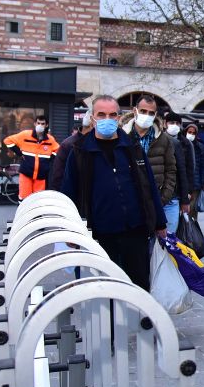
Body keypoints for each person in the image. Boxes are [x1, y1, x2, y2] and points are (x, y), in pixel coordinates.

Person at [61, 96, 167, 289]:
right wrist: (70, 231)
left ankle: (138, 309)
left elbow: (149, 186)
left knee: (138, 285)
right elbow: (69, 193)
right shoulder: (79, 151)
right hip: (99, 234)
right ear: (92, 118)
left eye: (112, 115)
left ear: (118, 118)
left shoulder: (132, 147)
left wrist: (160, 223)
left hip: (135, 230)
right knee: (103, 287)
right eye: (101, 114)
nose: (107, 119)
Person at [121, 95, 177, 235]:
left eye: (151, 113)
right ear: (135, 111)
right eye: (143, 111)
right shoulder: (121, 135)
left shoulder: (164, 139)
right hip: (126, 203)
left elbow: (171, 170)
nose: (147, 115)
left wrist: (162, 198)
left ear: (155, 114)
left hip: (153, 202)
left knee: (151, 243)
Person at [3, 115, 58, 199]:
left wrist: (49, 160)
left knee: (38, 199)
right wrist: (19, 153)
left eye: (42, 124)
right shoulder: (25, 135)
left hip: (41, 174)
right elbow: (7, 140)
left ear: (46, 125)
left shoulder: (50, 140)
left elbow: (57, 150)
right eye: (38, 123)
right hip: (26, 173)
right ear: (35, 124)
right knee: (24, 198)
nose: (40, 125)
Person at [163, 111, 194, 221]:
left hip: (177, 192)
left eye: (177, 123)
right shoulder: (157, 140)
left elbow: (190, 169)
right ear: (165, 124)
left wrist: (188, 192)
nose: (174, 125)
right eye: (171, 122)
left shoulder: (186, 143)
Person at [49, 111, 91, 192]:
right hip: (72, 194)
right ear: (92, 124)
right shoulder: (68, 145)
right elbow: (58, 175)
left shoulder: (97, 144)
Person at [184, 123, 204, 213]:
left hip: (195, 183)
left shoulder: (200, 147)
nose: (191, 134)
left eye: (193, 133)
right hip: (182, 183)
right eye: (189, 132)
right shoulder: (180, 144)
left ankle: (192, 223)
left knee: (192, 210)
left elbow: (203, 167)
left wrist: (203, 184)